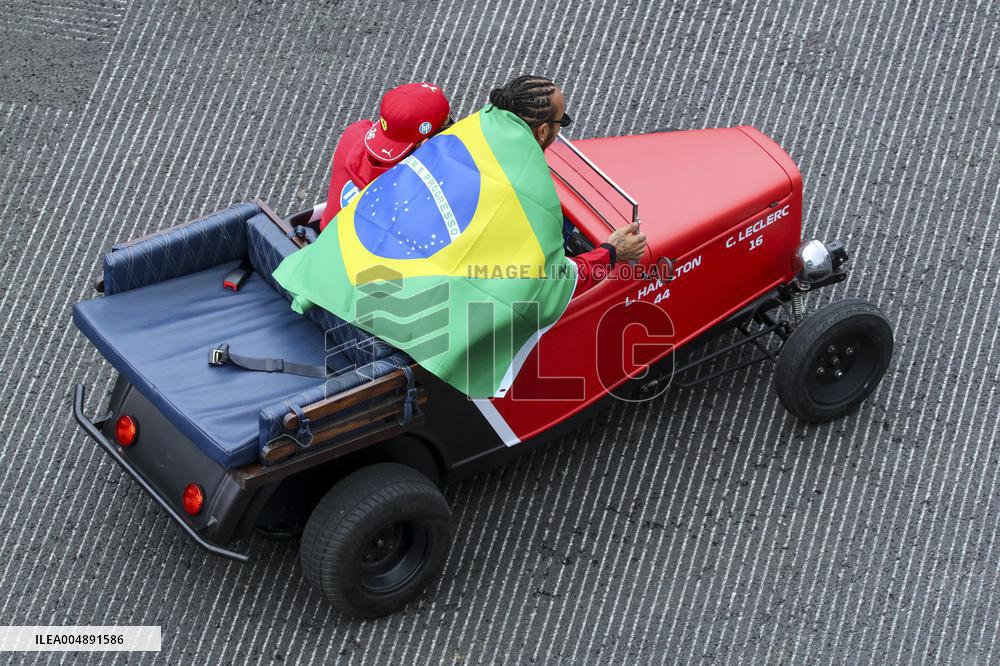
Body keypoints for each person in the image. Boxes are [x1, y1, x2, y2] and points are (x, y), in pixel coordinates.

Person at [485, 75, 647, 296]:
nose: (560, 130)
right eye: (562, 122)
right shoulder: (529, 201)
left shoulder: (476, 145)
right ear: (542, 132)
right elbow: (558, 282)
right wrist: (611, 253)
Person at [318, 82, 451, 231]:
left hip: (322, 239)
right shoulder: (420, 187)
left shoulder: (354, 133)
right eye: (448, 123)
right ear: (424, 143)